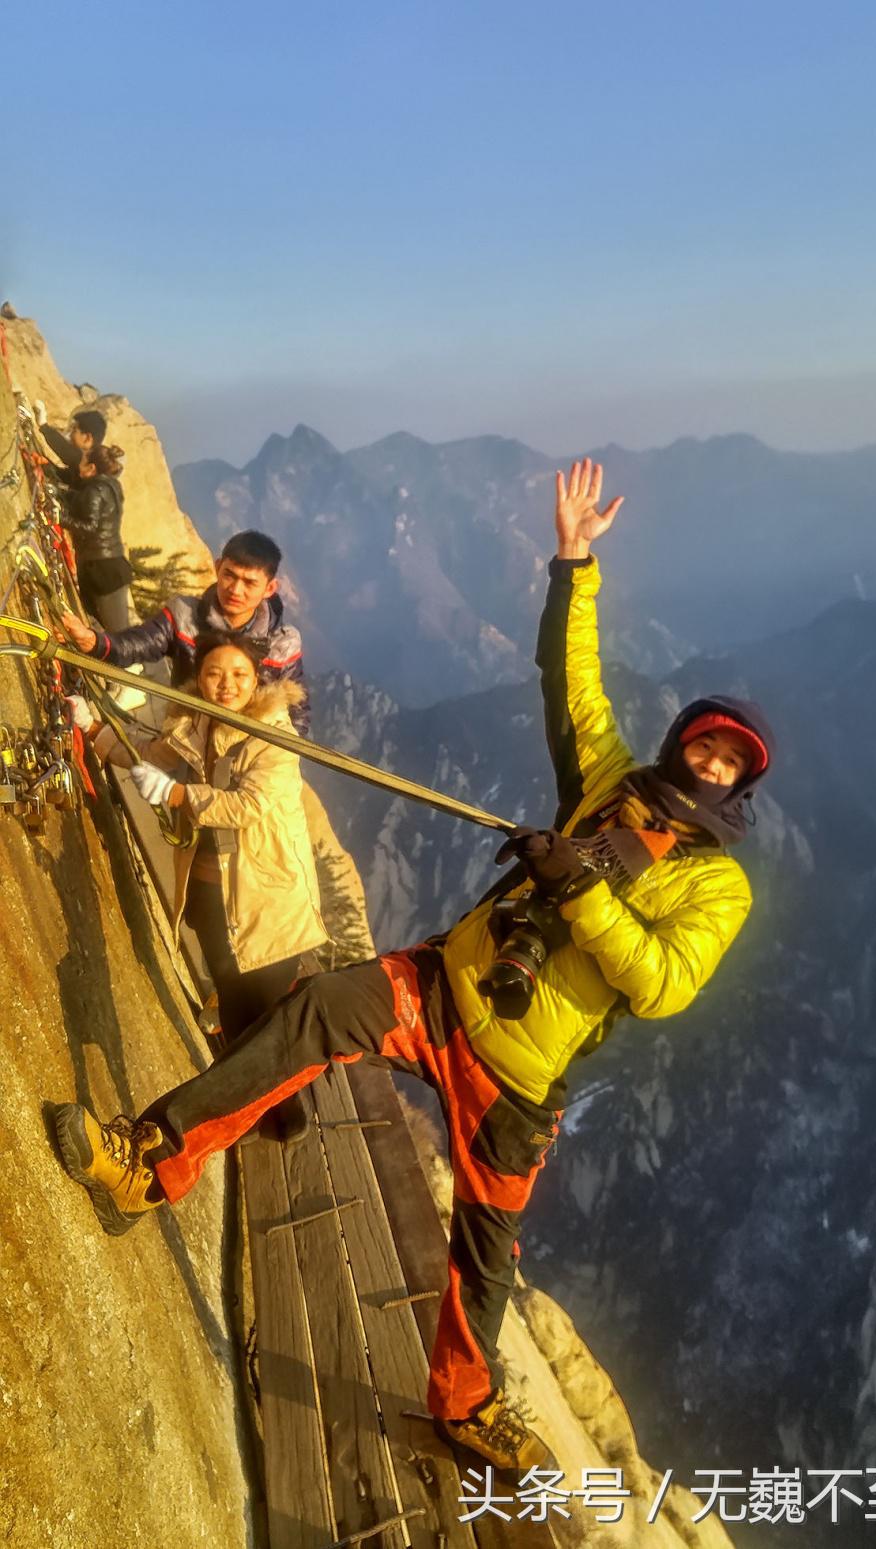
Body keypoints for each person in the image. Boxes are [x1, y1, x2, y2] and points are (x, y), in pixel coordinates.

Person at [54, 459, 775, 1474]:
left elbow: (661, 983)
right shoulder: (613, 780)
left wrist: (579, 888)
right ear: (681, 744)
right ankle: (148, 1160)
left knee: (483, 1260)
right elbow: (572, 683)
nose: (710, 765)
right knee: (309, 1018)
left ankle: (464, 1402)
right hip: (446, 986)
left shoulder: (720, 888)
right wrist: (574, 563)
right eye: (705, 747)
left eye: (729, 764)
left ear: (741, 785)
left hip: (521, 1077)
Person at [70, 630, 330, 1139]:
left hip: (267, 898)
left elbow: (250, 806)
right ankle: (245, 1108)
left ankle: (284, 1111)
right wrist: (96, 729)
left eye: (238, 674)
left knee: (268, 1016)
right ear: (199, 676)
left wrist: (178, 796)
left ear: (258, 679)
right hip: (213, 896)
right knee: (234, 1001)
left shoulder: (275, 736)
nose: (226, 684)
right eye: (214, 673)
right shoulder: (195, 721)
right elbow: (150, 755)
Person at [59, 529, 311, 736]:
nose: (235, 590)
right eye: (229, 576)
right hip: (185, 736)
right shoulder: (185, 616)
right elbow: (138, 643)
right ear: (217, 567)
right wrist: (93, 642)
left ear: (270, 589)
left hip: (244, 755)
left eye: (249, 583)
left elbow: (296, 714)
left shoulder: (282, 645)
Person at [49, 441, 133, 633]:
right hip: (105, 566)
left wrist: (60, 518)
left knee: (117, 632)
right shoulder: (108, 486)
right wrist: (59, 493)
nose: (79, 463)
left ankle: (127, 663)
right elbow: (80, 500)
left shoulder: (96, 490)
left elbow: (90, 527)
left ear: (92, 468)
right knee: (99, 623)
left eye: (83, 460)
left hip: (103, 571)